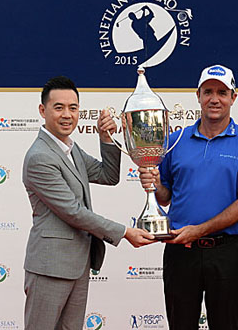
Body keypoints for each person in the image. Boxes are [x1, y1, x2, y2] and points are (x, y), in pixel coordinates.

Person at [139, 65, 238, 330]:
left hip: (225, 252)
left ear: (233, 97)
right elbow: (164, 198)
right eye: (208, 91)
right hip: (179, 251)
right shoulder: (175, 140)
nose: (214, 99)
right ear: (198, 95)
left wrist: (199, 230)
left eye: (222, 92)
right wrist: (155, 184)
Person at [22, 76, 154, 330]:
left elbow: (108, 175)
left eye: (73, 108)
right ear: (42, 110)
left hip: (78, 264)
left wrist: (106, 137)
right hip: (50, 266)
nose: (67, 115)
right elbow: (73, 212)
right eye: (58, 107)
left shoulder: (70, 149)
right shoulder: (40, 156)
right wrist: (125, 232)